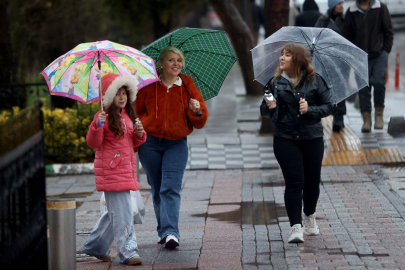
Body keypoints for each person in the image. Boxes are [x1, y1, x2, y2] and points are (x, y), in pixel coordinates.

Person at [135, 46, 209, 248]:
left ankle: (170, 233)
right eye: (171, 60)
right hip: (149, 144)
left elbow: (201, 120)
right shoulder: (148, 85)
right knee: (158, 188)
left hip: (176, 144)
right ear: (161, 63)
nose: (176, 64)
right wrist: (139, 124)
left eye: (179, 60)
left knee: (170, 188)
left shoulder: (187, 84)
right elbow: (136, 111)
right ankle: (164, 231)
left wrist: (196, 111)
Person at [260, 43, 333, 243]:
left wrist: (310, 109)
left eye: (288, 55)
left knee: (311, 182)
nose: (282, 58)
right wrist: (271, 107)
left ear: (298, 59)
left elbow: (329, 106)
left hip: (312, 138)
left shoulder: (315, 80)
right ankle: (295, 227)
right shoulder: (275, 82)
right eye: (281, 54)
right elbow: (264, 110)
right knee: (294, 182)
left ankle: (310, 216)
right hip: (285, 138)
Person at [82, 73, 147, 265]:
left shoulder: (127, 116)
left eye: (124, 93)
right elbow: (93, 142)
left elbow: (132, 142)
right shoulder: (103, 117)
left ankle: (95, 246)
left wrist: (140, 134)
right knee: (124, 214)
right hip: (112, 172)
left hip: (126, 170)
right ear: (108, 96)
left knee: (116, 214)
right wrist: (97, 125)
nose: (122, 97)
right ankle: (128, 251)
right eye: (117, 93)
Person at [343, 0, 394, 132]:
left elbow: (388, 31)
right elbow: (347, 36)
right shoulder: (352, 11)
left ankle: (378, 115)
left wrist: (386, 50)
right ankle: (366, 120)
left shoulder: (380, 8)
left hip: (379, 54)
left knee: (378, 82)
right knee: (363, 88)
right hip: (360, 56)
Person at [315, 0, 347, 132]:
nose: (341, 6)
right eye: (339, 4)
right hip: (326, 61)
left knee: (341, 89)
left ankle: (339, 117)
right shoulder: (323, 20)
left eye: (342, 3)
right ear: (332, 6)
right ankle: (333, 114)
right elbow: (316, 38)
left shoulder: (345, 20)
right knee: (328, 89)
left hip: (342, 60)